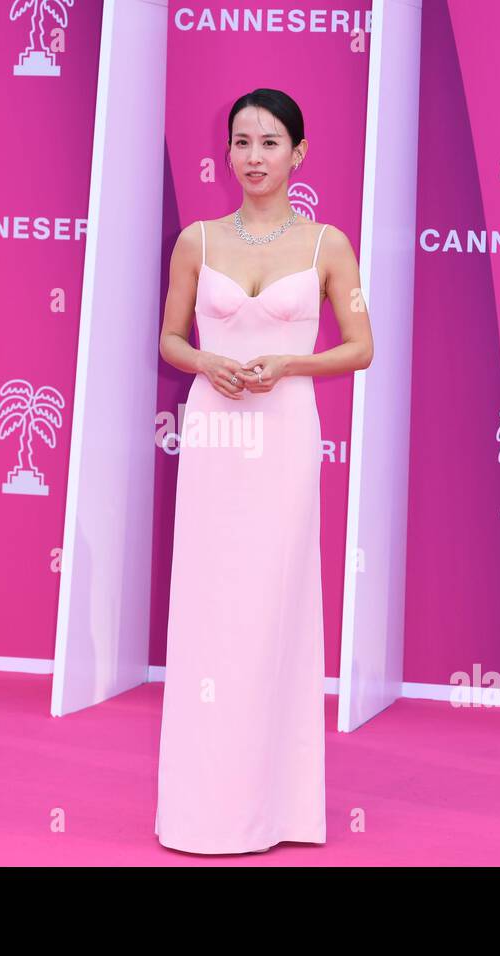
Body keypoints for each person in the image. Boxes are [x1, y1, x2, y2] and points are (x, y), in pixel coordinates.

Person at [153, 88, 374, 855]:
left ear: (299, 153)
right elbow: (170, 340)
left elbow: (361, 345)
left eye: (270, 143)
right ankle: (199, 810)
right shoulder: (197, 241)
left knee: (273, 608)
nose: (253, 157)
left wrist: (291, 363)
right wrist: (206, 361)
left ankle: (275, 811)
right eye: (241, 142)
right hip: (214, 434)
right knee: (210, 610)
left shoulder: (328, 247)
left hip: (282, 433)